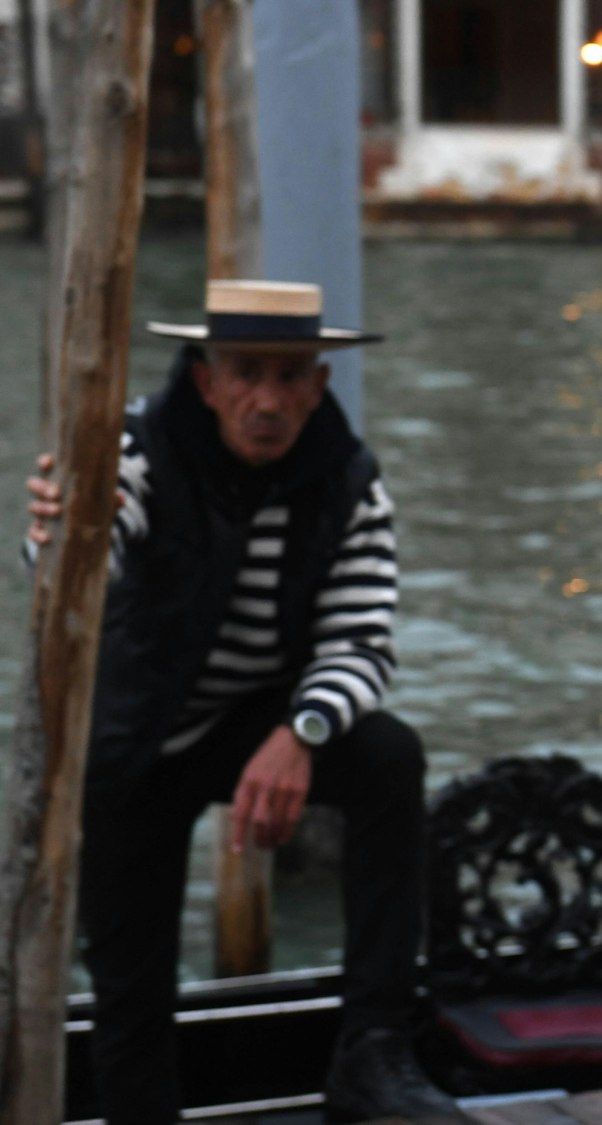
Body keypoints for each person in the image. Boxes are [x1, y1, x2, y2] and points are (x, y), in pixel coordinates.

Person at [22, 280, 461, 1124]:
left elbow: (361, 640)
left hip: (259, 723)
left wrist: (302, 730)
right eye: (246, 373)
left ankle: (373, 1050)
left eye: (289, 376)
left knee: (387, 756)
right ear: (207, 380)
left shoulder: (350, 481)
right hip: (136, 740)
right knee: (130, 987)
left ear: (317, 386)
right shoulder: (133, 452)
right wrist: (62, 527)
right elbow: (79, 572)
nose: (267, 401)